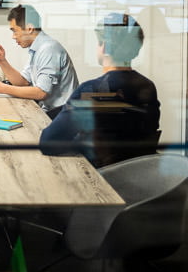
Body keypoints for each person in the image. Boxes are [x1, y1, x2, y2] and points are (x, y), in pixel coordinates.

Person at [39, 13, 160, 166]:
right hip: (139, 173)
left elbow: (48, 142)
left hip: (102, 178)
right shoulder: (148, 86)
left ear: (104, 47)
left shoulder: (91, 90)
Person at [0, 4, 78, 116]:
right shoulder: (37, 48)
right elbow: (23, 82)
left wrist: (3, 88)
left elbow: (41, 93)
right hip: (53, 111)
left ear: (29, 29)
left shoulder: (48, 49)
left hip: (63, 114)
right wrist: (2, 62)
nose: (13, 37)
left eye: (15, 31)